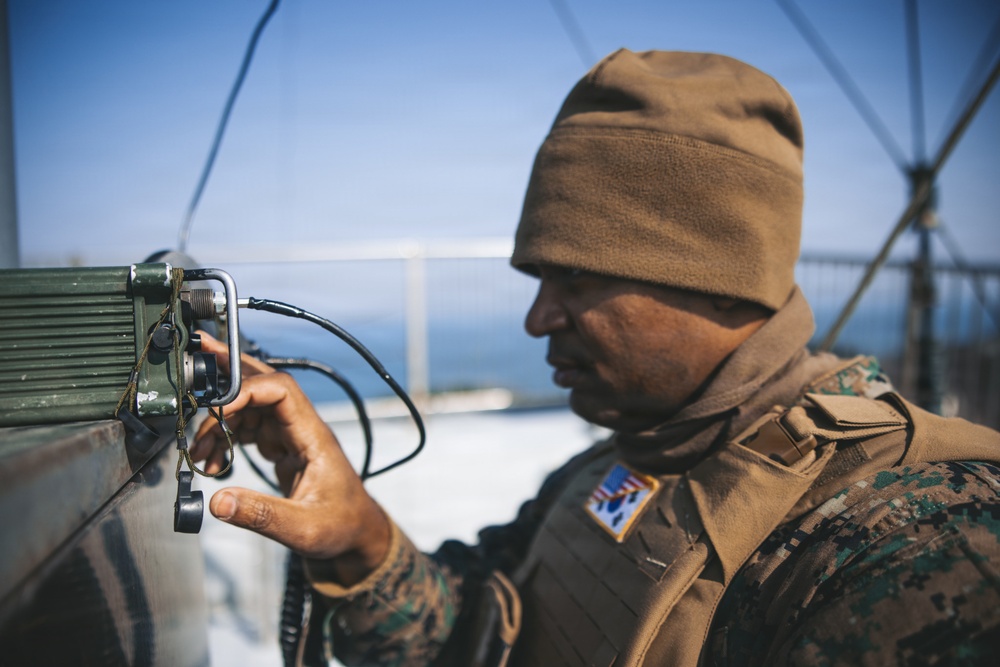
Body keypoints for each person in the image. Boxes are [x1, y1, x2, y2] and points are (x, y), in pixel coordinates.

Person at [192, 49, 1000, 665]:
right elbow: (486, 629)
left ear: (723, 282)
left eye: (577, 278)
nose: (540, 317)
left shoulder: (909, 543)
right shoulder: (635, 449)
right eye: (540, 277)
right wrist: (359, 540)